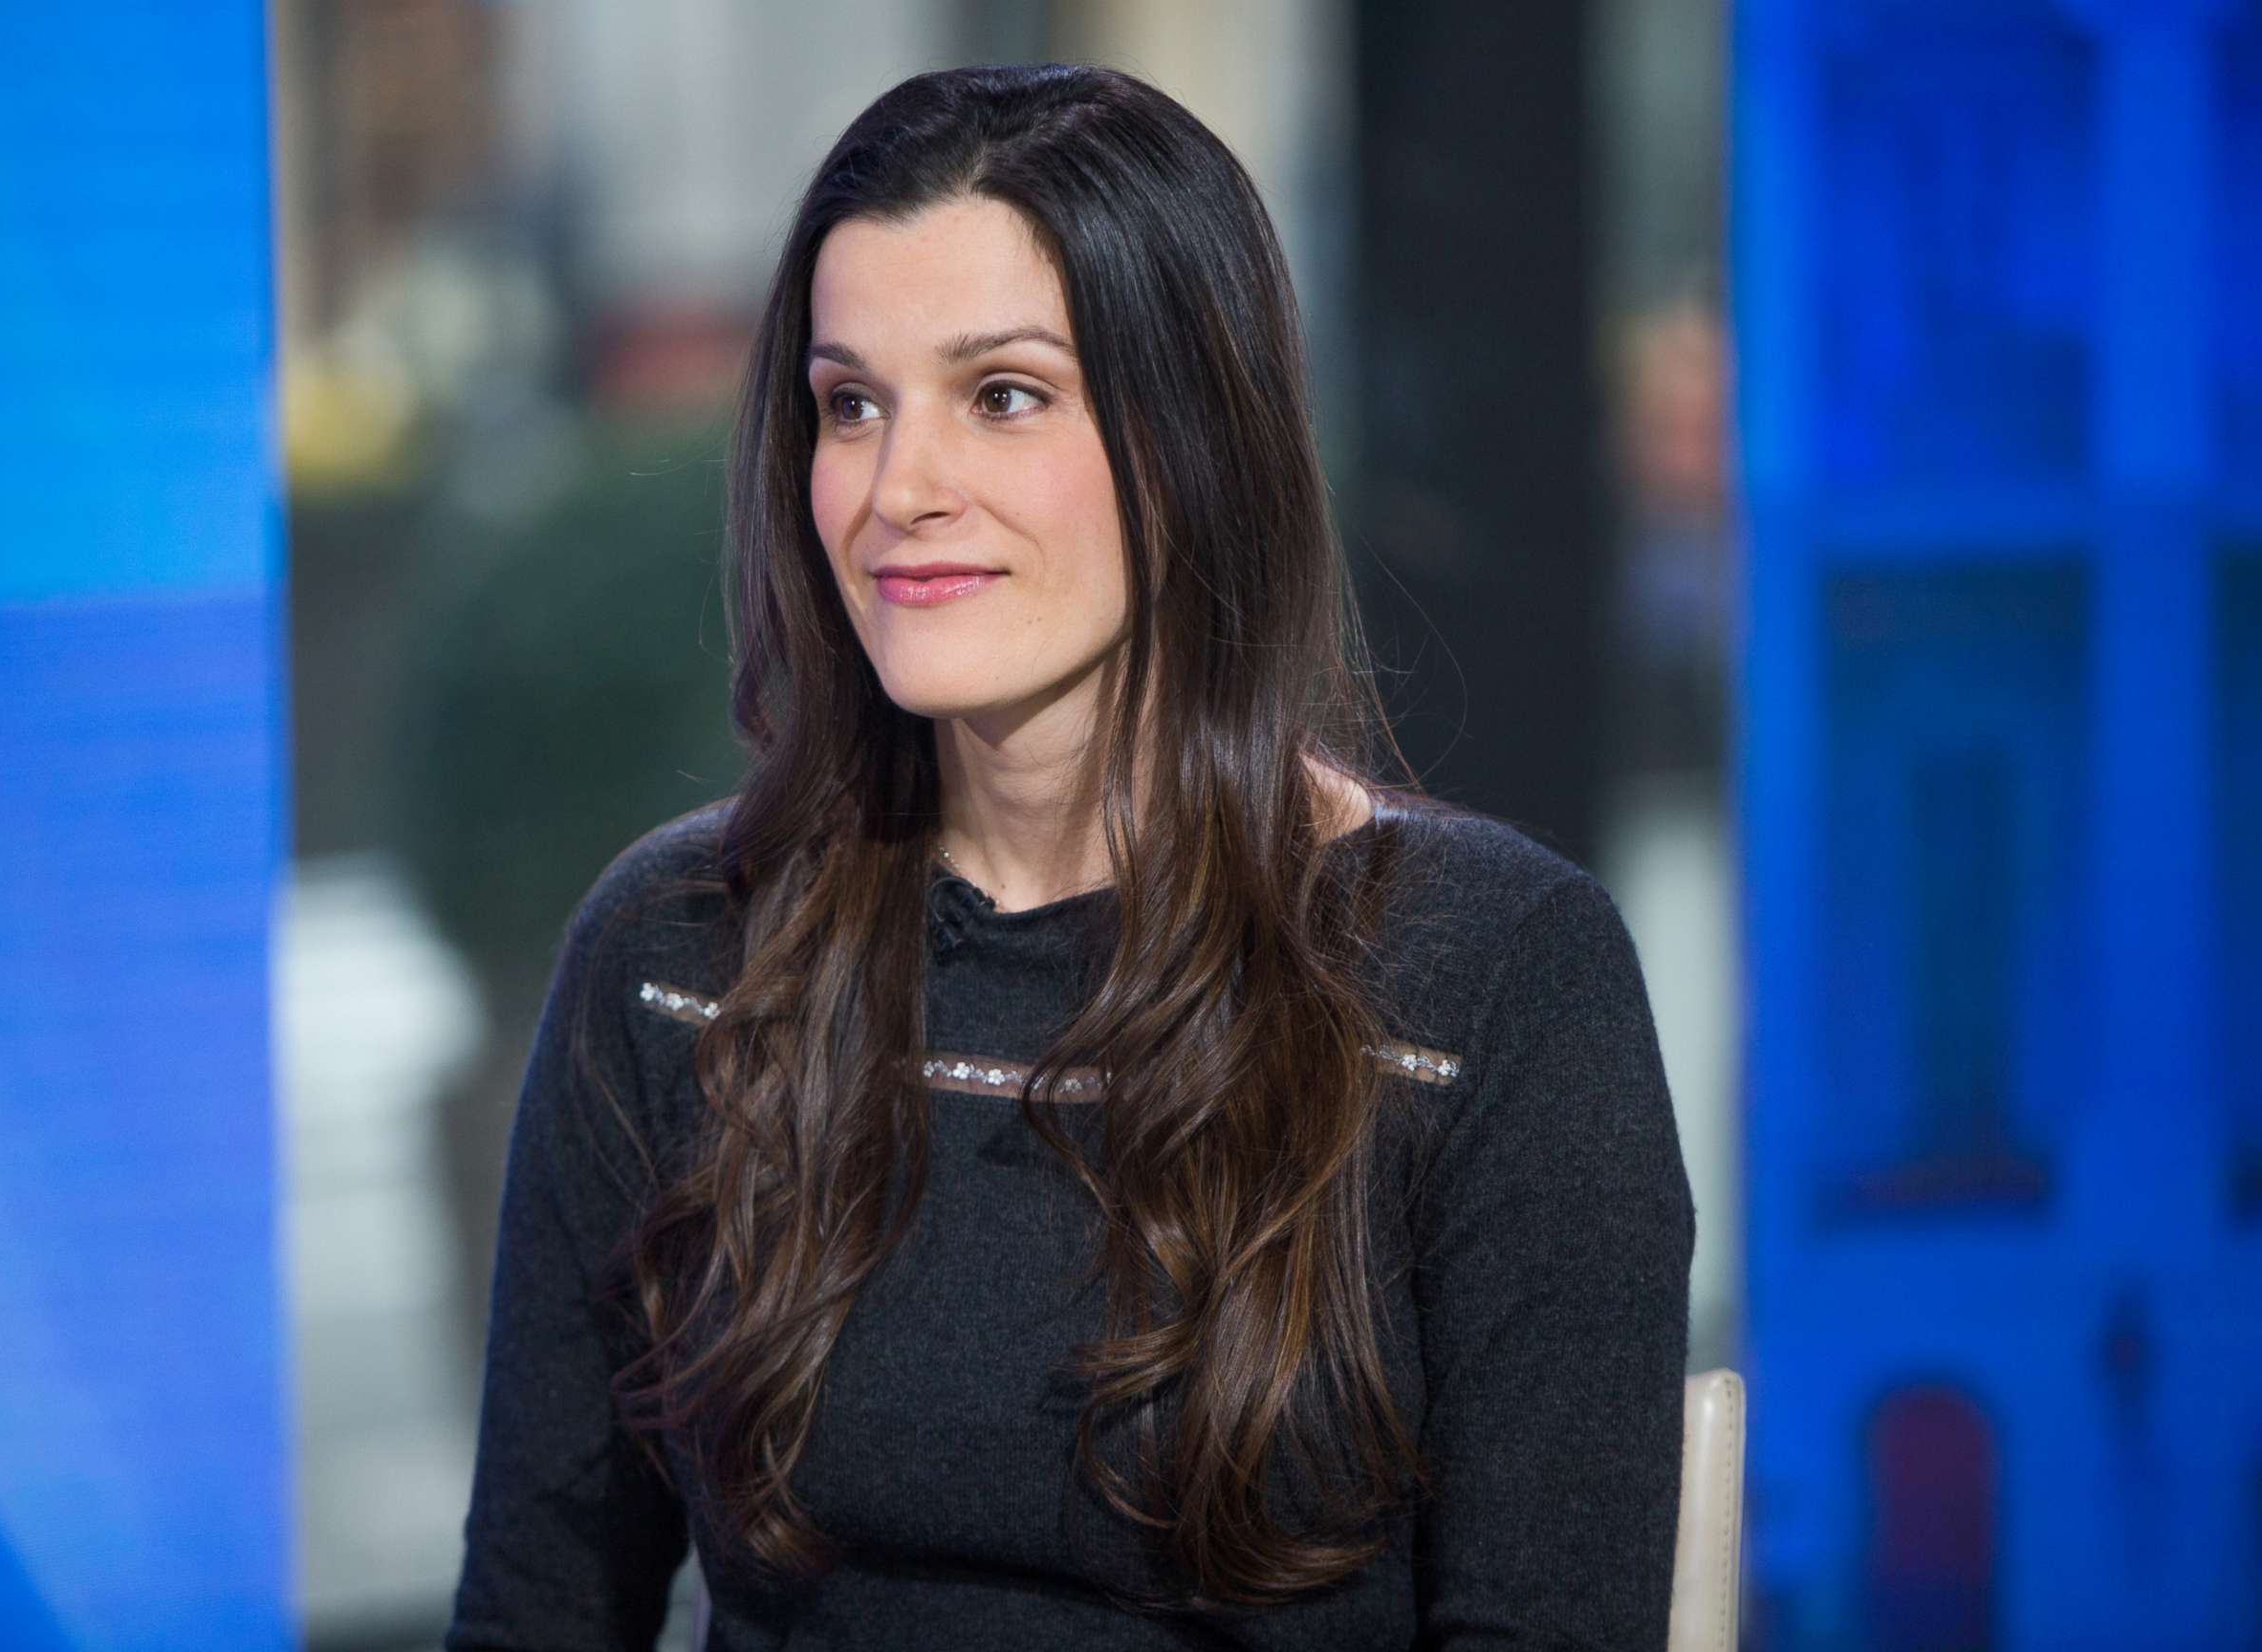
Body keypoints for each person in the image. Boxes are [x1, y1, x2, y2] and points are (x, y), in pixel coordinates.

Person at [445, 62, 1694, 1652]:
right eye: (851, 405)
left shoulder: (1494, 976)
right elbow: (535, 1615)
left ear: (1195, 439)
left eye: (1005, 395)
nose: (900, 492)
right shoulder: (683, 953)